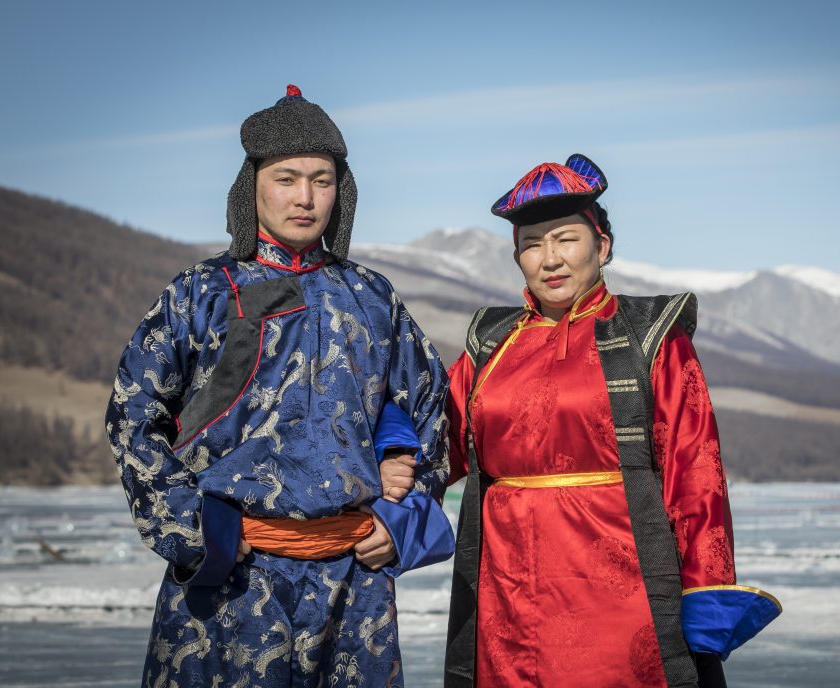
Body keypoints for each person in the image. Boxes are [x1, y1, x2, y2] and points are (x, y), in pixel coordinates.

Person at [383, 154, 780, 687]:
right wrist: (388, 468)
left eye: (566, 239)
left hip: (621, 590)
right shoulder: (491, 342)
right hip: (506, 591)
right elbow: (437, 438)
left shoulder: (650, 335)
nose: (550, 259)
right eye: (531, 244)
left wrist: (706, 590)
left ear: (603, 246)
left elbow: (696, 471)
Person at [106, 85, 454, 687]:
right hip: (232, 584)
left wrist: (403, 513)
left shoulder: (372, 298)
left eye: (322, 180)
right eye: (287, 178)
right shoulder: (202, 292)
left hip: (353, 584)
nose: (305, 197)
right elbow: (133, 417)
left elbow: (430, 411)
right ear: (253, 187)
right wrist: (192, 527)